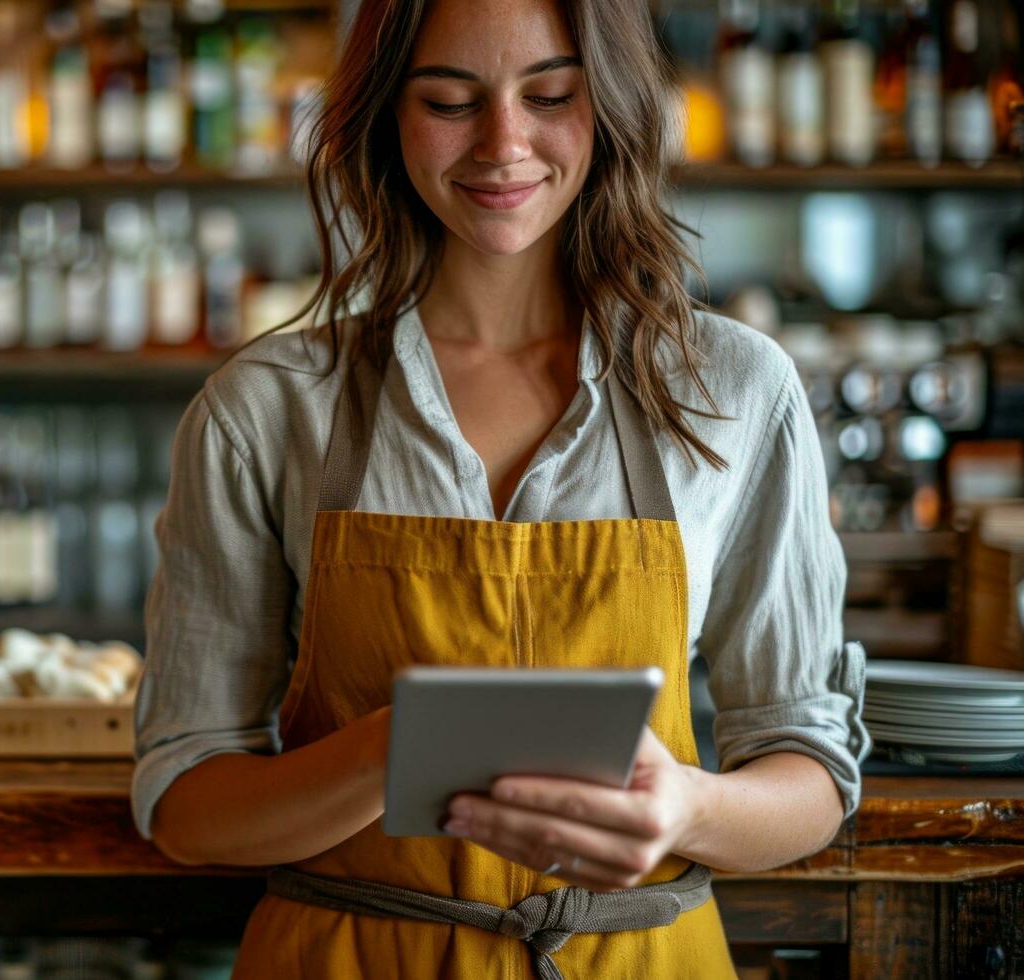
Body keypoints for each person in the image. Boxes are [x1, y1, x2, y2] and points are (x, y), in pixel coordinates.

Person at [130, 0, 871, 975]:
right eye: (447, 100)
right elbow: (188, 801)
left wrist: (686, 806)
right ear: (386, 115)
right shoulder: (267, 409)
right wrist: (392, 748)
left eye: (552, 94)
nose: (503, 143)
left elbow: (808, 769)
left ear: (610, 104)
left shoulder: (732, 388)